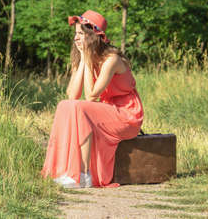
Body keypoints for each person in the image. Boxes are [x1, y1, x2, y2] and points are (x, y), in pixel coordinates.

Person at [41, 10, 144, 188]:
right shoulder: (86, 57)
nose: (76, 39)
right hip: (107, 110)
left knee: (80, 108)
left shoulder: (112, 60)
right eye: (75, 34)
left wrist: (87, 58)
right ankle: (66, 170)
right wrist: (82, 60)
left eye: (80, 34)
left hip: (126, 115)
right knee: (65, 106)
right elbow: (72, 95)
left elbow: (90, 96)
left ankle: (83, 175)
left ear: (92, 36)